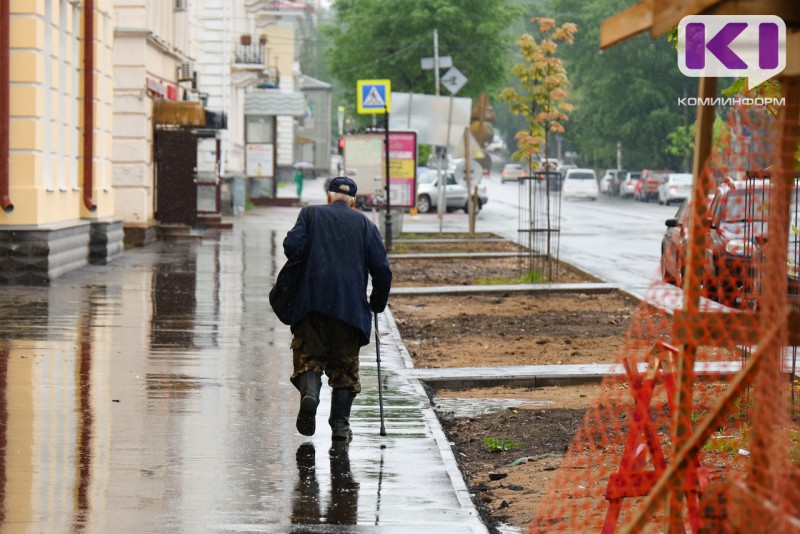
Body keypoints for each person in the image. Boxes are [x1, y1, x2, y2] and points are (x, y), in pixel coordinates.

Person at [282, 176, 392, 441]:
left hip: (312, 306)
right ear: (353, 202)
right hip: (350, 310)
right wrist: (377, 302)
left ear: (329, 196)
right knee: (345, 371)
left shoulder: (310, 214)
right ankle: (340, 427)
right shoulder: (365, 224)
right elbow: (382, 270)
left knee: (309, 358)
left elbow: (291, 247)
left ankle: (310, 394)